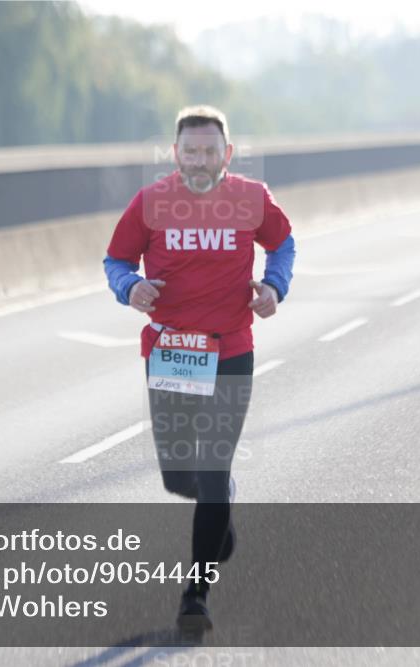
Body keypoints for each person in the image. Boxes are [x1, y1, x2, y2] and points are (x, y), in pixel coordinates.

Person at [103, 105, 295, 631]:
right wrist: (130, 288)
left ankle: (196, 594)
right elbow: (116, 260)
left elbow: (282, 243)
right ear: (176, 154)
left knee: (210, 471)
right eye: (191, 152)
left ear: (227, 155)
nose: (200, 161)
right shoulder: (152, 202)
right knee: (179, 475)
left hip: (229, 349)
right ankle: (221, 507)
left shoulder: (251, 199)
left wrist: (274, 286)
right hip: (171, 352)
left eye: (210, 152)